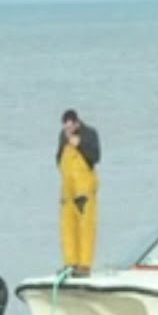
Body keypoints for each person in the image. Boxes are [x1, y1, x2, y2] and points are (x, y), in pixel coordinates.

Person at [55, 109, 101, 277]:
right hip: (68, 189)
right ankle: (70, 263)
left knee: (86, 226)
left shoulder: (90, 133)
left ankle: (84, 265)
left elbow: (95, 157)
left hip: (84, 188)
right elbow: (59, 159)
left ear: (76, 122)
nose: (68, 130)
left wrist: (79, 145)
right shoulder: (62, 136)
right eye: (65, 128)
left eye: (70, 126)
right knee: (67, 226)